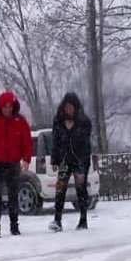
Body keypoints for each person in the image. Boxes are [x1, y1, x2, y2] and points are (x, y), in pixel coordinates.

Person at [0, 91, 33, 239]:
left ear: (14, 106)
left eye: (10, 106)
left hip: (13, 163)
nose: (8, 109)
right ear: (0, 107)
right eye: (5, 107)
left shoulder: (20, 122)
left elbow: (27, 142)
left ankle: (14, 227)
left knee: (13, 196)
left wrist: (26, 159)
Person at [49, 92, 92, 232]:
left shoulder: (84, 122)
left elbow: (86, 144)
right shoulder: (58, 121)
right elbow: (55, 141)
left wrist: (83, 164)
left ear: (76, 107)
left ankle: (83, 219)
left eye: (71, 107)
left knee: (81, 189)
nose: (69, 110)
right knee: (60, 188)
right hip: (64, 160)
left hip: (80, 159)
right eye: (66, 107)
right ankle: (57, 219)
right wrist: (55, 160)